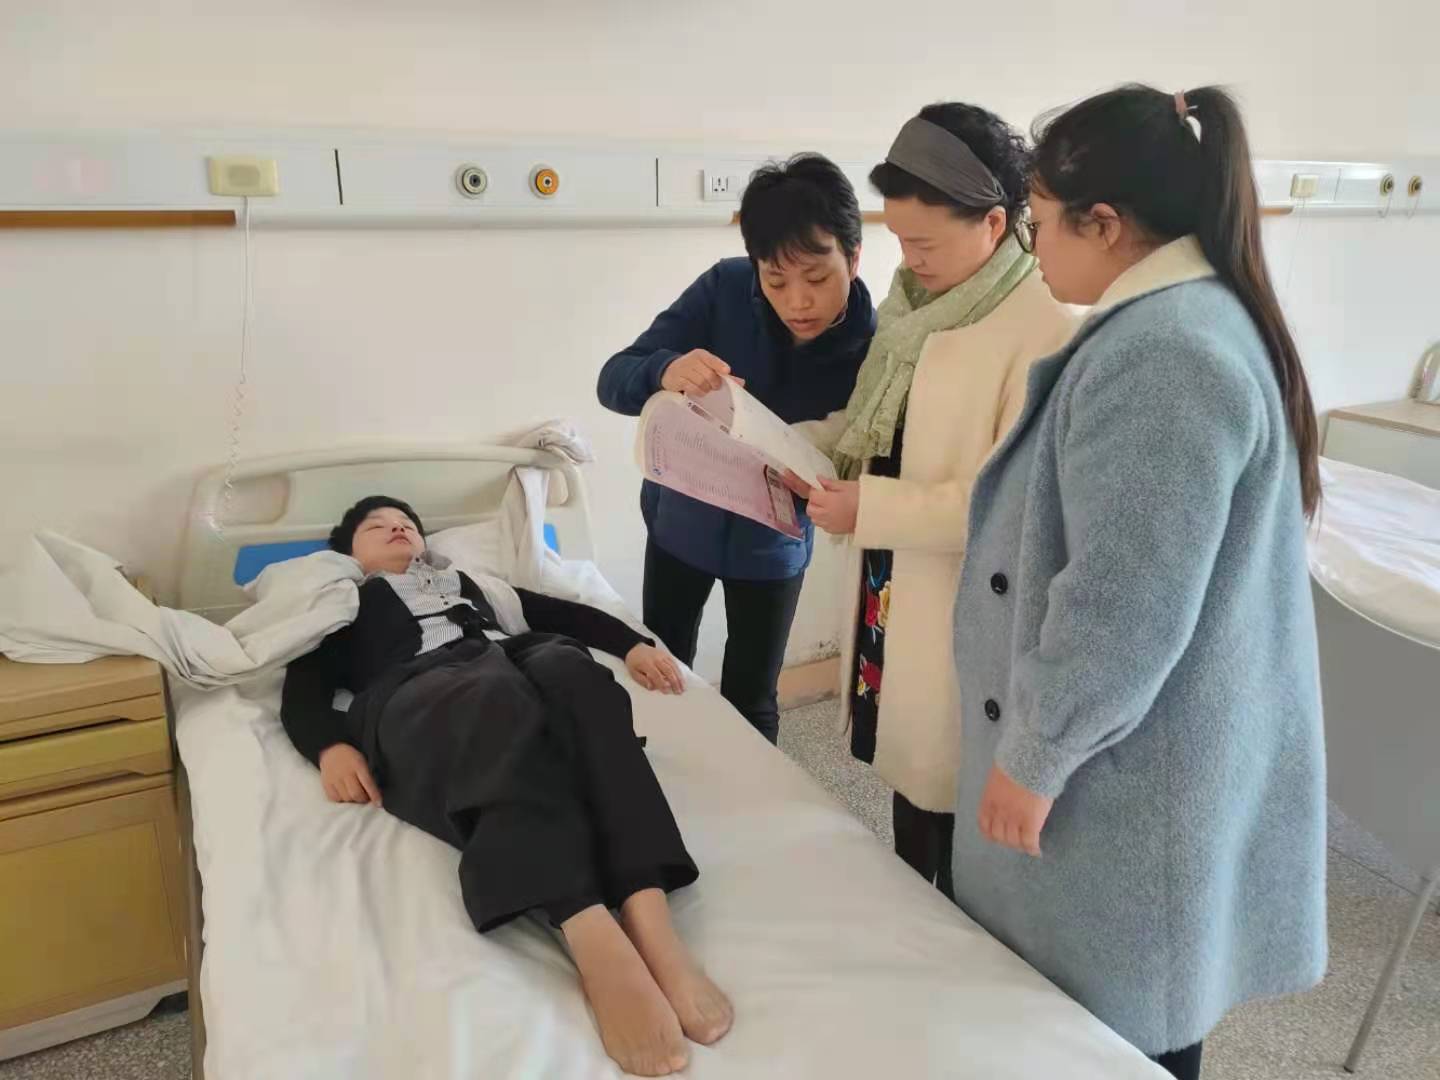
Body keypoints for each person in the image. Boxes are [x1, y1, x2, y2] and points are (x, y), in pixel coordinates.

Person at [947, 85, 1326, 1080]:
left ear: (1105, 223)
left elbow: (1124, 605)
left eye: (1039, 224)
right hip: (1145, 752)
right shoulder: (1188, 321)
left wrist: (1036, 755)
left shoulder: (1164, 354)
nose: (1031, 248)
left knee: (1123, 1037)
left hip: (1124, 777)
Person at [280, 496, 731, 1077]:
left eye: (408, 523)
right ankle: (586, 924)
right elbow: (303, 686)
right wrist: (329, 746)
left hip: (509, 657)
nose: (397, 528)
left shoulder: (473, 584)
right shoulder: (346, 604)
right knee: (489, 699)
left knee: (576, 674)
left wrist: (631, 644)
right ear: (349, 553)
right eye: (377, 526)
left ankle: (648, 911)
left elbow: (562, 614)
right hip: (417, 686)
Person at [785, 104, 1075, 891]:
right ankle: (913, 911)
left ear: (994, 224)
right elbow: (881, 422)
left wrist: (869, 510)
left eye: (926, 243)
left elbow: (1007, 505)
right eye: (901, 240)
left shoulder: (1038, 333)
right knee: (908, 783)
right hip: (893, 582)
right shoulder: (913, 308)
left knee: (949, 794)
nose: (909, 261)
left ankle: (946, 930)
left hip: (958, 601)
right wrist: (793, 444)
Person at [597, 154, 876, 744]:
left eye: (817, 279)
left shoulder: (874, 347)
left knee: (752, 697)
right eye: (776, 281)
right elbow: (613, 379)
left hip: (773, 546)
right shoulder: (725, 288)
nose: (797, 302)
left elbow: (864, 466)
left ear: (853, 258)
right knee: (664, 670)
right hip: (679, 526)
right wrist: (666, 368)